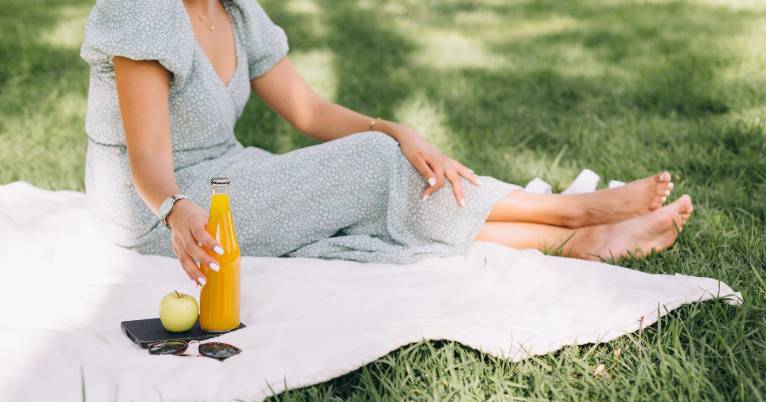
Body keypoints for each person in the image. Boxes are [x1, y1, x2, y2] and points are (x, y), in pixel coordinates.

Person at [81, 0, 693, 287]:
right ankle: (574, 210)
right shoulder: (143, 10)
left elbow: (310, 111)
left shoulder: (236, 13)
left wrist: (396, 129)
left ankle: (576, 240)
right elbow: (149, 162)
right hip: (157, 207)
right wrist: (174, 208)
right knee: (374, 170)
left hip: (227, 177)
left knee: (363, 209)